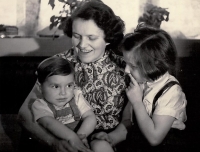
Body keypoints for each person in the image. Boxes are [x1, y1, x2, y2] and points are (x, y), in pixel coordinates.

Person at [18, 1, 130, 152]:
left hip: (105, 140)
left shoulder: (126, 67)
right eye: (77, 36)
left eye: (91, 37)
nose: (82, 45)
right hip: (62, 138)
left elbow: (131, 116)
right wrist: (53, 142)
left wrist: (112, 138)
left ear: (108, 38)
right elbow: (24, 114)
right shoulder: (59, 63)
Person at [120, 25, 187, 151]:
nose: (126, 70)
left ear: (153, 66)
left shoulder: (171, 92)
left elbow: (155, 139)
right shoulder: (142, 80)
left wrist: (137, 102)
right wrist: (111, 137)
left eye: (132, 66)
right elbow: (129, 121)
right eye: (126, 64)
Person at [31, 57, 96, 152]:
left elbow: (90, 117)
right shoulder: (40, 105)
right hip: (54, 146)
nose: (63, 93)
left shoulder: (77, 97)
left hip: (78, 138)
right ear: (40, 88)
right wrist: (71, 137)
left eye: (69, 85)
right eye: (55, 86)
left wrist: (81, 135)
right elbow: (49, 123)